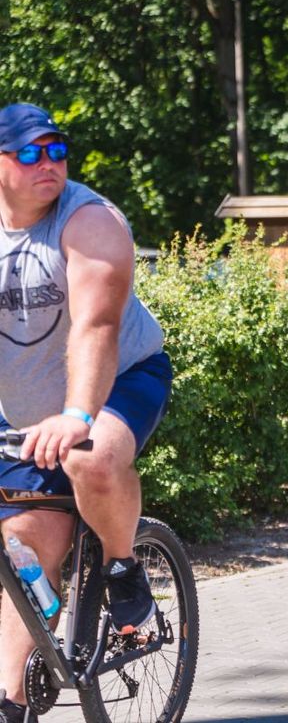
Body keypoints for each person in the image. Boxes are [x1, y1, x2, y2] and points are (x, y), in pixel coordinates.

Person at [0, 103, 171, 723]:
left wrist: (77, 413)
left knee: (90, 456)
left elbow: (96, 326)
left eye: (56, 149)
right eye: (27, 153)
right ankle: (11, 705)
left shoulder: (91, 219)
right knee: (25, 551)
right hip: (21, 408)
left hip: (120, 379)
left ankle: (124, 569)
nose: (47, 163)